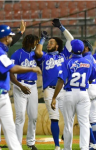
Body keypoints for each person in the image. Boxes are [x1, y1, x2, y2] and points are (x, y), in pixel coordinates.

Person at [0, 25, 41, 150]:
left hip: (0, 94)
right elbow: (12, 68)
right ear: (5, 37)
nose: (11, 38)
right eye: (10, 36)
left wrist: (20, 32)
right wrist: (32, 68)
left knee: (10, 129)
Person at [35, 18, 73, 150]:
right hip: (49, 90)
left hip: (64, 88)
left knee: (70, 117)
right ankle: (57, 146)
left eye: (51, 42)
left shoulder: (64, 55)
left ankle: (65, 137)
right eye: (48, 42)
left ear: (57, 46)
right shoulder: (45, 56)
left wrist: (61, 27)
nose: (48, 44)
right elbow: (37, 52)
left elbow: (71, 40)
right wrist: (42, 39)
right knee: (54, 117)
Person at [51, 39, 96, 150]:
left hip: (70, 93)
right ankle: (84, 147)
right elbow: (91, 79)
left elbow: (61, 81)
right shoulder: (89, 62)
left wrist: (54, 97)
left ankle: (67, 148)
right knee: (85, 123)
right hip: (83, 93)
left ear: (72, 49)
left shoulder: (67, 62)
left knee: (68, 124)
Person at [10, 34, 39, 150]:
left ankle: (31, 142)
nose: (36, 44)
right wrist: (20, 86)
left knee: (33, 116)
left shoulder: (36, 54)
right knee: (20, 116)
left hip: (33, 86)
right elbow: (10, 73)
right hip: (20, 85)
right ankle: (17, 144)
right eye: (35, 42)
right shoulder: (17, 53)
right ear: (29, 42)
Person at [82, 40, 96, 150]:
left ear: (86, 48)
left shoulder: (85, 59)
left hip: (88, 87)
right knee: (93, 118)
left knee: (85, 118)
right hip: (95, 87)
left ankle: (93, 143)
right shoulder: (92, 58)